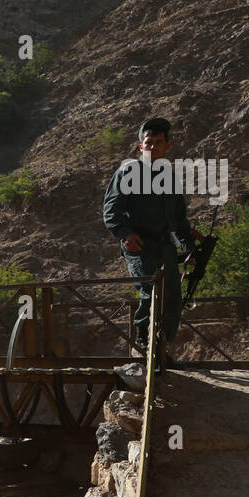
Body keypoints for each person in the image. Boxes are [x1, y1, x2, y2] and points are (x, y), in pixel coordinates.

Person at [102, 117, 195, 355]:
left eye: (159, 142)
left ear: (167, 146)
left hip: (164, 246)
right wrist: (125, 233)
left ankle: (161, 349)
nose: (153, 147)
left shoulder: (170, 177)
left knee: (173, 296)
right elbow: (111, 209)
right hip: (139, 243)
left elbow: (179, 219)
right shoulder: (128, 172)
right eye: (149, 142)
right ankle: (143, 344)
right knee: (150, 288)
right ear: (140, 146)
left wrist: (190, 247)